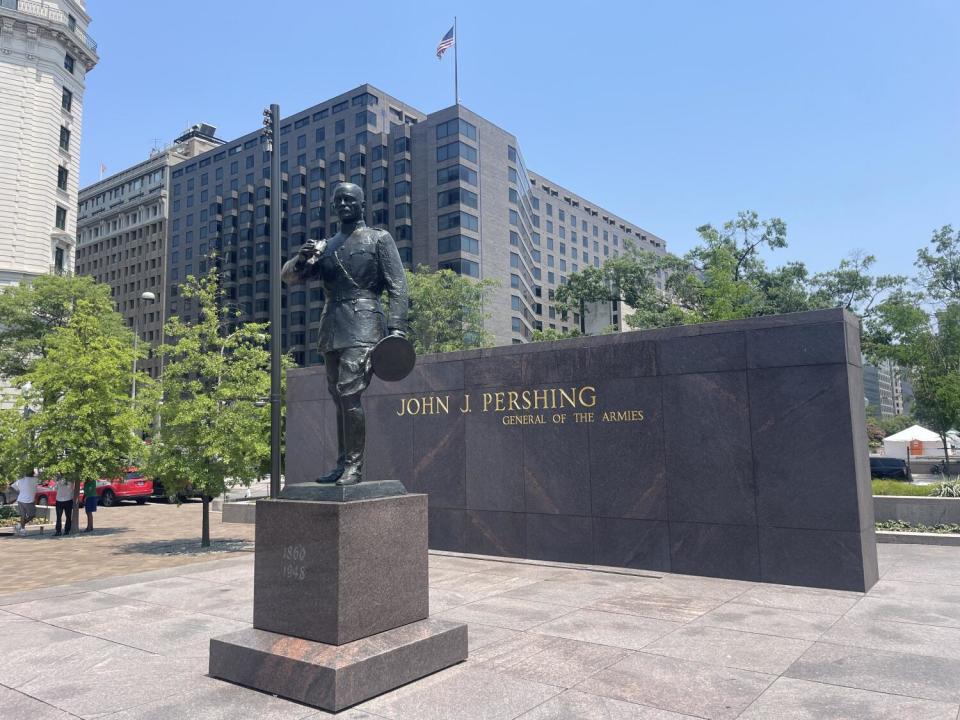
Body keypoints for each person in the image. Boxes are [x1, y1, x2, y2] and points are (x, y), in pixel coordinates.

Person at [281, 182, 408, 486]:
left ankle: (354, 466)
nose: (343, 205)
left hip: (365, 323)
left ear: (362, 204)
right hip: (331, 326)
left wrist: (397, 328)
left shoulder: (379, 238)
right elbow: (290, 277)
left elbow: (398, 286)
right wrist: (302, 258)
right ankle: (341, 464)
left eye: (350, 200)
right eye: (338, 201)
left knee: (350, 395)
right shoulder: (325, 245)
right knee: (338, 398)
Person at [11, 470, 37, 536]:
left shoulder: (20, 480)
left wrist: (19, 493)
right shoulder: (35, 479)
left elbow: (11, 487)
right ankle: (21, 528)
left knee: (23, 515)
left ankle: (21, 529)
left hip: (20, 500)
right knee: (32, 515)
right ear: (32, 473)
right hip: (28, 501)